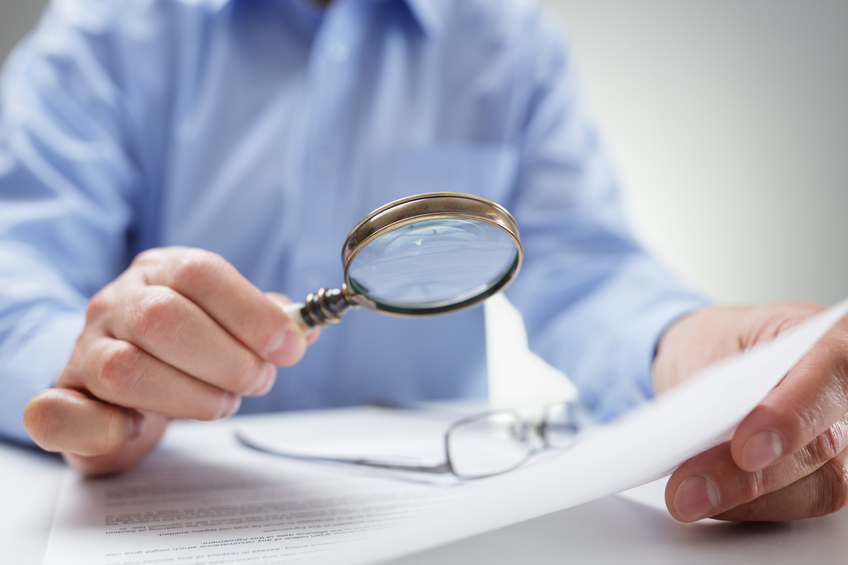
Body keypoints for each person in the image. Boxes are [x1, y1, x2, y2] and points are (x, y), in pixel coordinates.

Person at [0, 0, 845, 524]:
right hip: (158, 514)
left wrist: (700, 350)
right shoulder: (105, 29)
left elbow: (590, 270)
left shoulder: (507, 40)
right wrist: (93, 372)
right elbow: (15, 273)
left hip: (433, 520)